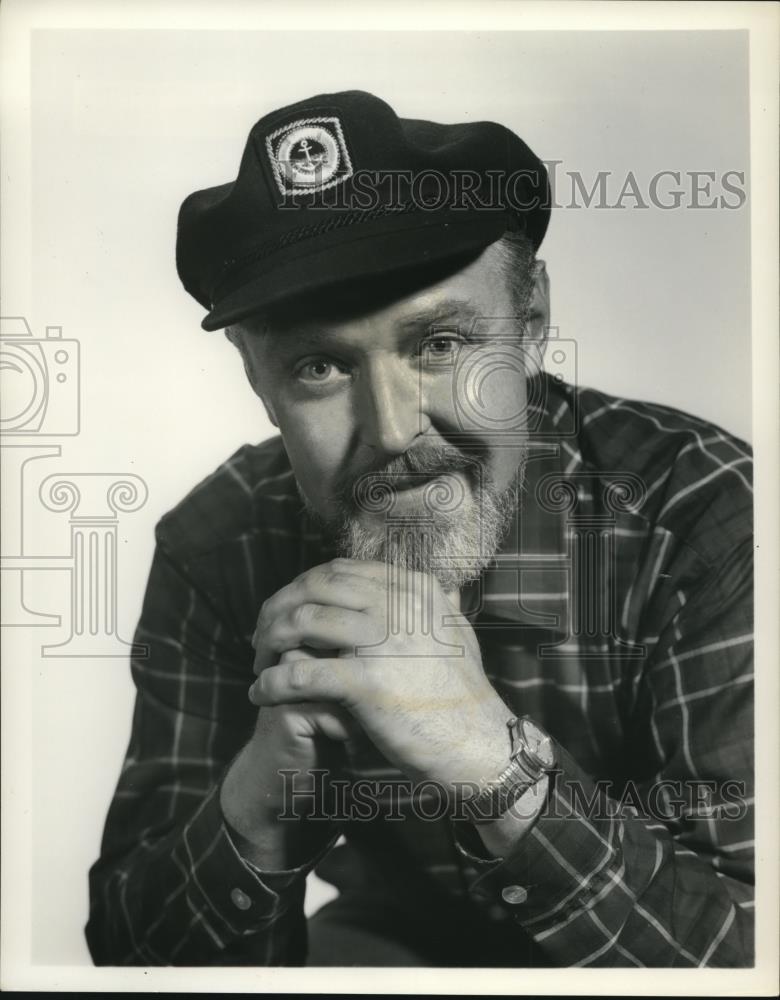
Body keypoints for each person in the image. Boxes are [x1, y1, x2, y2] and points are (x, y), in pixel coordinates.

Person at [86, 90, 754, 967]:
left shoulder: (704, 516)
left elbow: (754, 949)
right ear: (259, 381)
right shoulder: (220, 543)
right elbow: (131, 958)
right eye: (320, 366)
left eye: (439, 345)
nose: (395, 430)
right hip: (394, 947)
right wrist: (256, 808)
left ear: (532, 323)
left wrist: (494, 769)